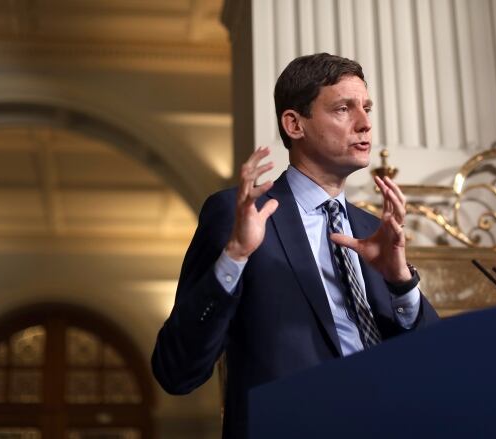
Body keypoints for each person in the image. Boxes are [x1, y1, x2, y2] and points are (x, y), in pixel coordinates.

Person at [152, 53, 440, 438]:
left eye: (367, 108)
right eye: (343, 108)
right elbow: (177, 371)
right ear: (294, 124)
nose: (365, 123)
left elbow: (435, 367)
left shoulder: (374, 230)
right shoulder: (240, 215)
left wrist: (401, 282)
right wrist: (234, 256)